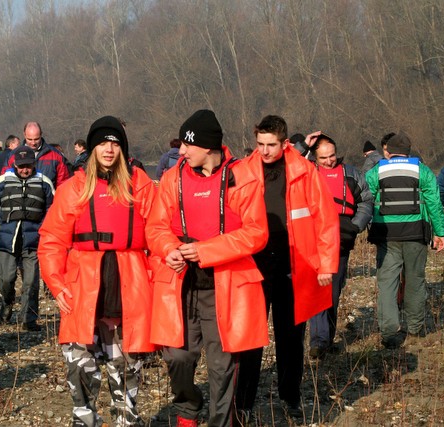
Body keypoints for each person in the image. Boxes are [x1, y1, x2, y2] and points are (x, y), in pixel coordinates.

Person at [146, 110, 270, 427]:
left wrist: (205, 250)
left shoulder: (242, 177)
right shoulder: (173, 177)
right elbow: (156, 227)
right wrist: (168, 248)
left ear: (208, 147)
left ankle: (221, 422)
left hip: (225, 285)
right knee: (177, 356)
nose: (182, 152)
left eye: (188, 146)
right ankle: (188, 407)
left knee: (221, 364)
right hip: (180, 282)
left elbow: (256, 233)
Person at [38, 116, 156, 427]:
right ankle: (85, 419)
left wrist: (156, 284)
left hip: (128, 286)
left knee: (127, 364)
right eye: (103, 142)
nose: (109, 148)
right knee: (80, 365)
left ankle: (127, 419)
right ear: (91, 148)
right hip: (82, 289)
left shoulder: (140, 184)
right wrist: (57, 285)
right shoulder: (73, 188)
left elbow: (159, 235)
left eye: (115, 143)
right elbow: (51, 241)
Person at [238, 115, 339, 419]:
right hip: (253, 265)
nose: (264, 151)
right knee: (249, 338)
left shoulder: (305, 172)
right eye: (260, 144)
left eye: (271, 145)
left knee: (291, 336)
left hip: (293, 266)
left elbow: (326, 220)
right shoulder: (242, 171)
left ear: (284, 143)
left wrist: (326, 263)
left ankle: (290, 398)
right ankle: (242, 403)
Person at [366, 132, 444, 348]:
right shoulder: (422, 170)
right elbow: (434, 203)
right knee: (415, 280)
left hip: (386, 235)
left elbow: (366, 198)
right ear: (408, 152)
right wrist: (440, 233)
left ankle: (390, 333)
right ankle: (415, 328)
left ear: (388, 151)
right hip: (416, 233)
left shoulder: (376, 171)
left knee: (388, 283)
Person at [308, 133, 373, 358]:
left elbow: (366, 200)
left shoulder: (352, 174)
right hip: (313, 240)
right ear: (315, 158)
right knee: (319, 289)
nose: (329, 161)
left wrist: (356, 225)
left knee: (333, 291)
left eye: (332, 155)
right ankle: (318, 342)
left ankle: (326, 338)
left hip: (342, 239)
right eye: (324, 157)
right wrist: (303, 145)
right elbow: (288, 164)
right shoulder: (307, 173)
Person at [0, 146, 54, 331]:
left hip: (33, 241)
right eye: (21, 166)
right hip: (6, 241)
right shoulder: (1, 182)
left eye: (28, 166)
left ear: (34, 164)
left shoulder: (44, 182)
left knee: (31, 282)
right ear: (14, 164)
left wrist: (44, 229)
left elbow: (52, 210)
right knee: (6, 280)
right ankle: (7, 303)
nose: (25, 169)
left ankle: (28, 319)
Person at [7, 122, 71, 188]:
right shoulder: (13, 156)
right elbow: (5, 181)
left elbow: (63, 183)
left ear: (41, 135)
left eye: (36, 139)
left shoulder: (56, 155)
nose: (33, 143)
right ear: (24, 135)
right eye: (30, 139)